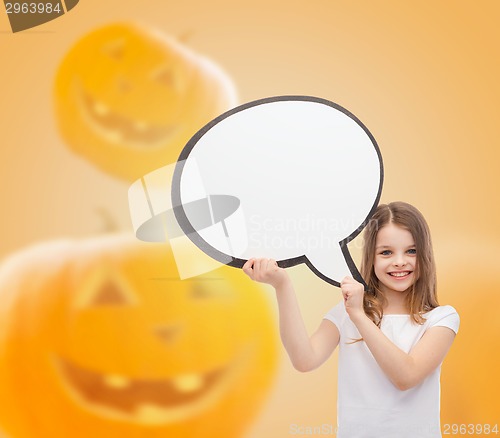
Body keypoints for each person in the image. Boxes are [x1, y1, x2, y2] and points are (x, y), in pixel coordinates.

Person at [242, 202, 459, 438]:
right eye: (386, 252)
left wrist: (358, 314)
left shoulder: (441, 318)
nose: (399, 261)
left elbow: (405, 377)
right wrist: (282, 285)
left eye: (411, 251)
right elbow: (305, 359)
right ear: (371, 257)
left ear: (425, 255)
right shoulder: (345, 312)